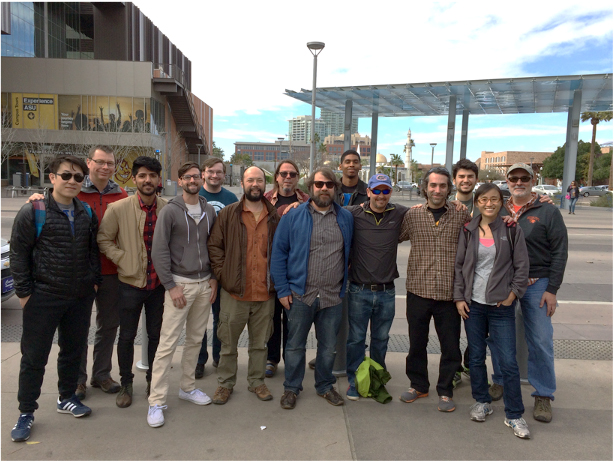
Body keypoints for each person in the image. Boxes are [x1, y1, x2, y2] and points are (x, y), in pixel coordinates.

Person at [10, 155, 101, 443]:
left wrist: (93, 283)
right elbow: (18, 255)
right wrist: (25, 294)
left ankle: (66, 398)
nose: (73, 181)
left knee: (73, 351)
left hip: (79, 297)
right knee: (34, 357)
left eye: (78, 177)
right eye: (66, 176)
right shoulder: (33, 210)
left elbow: (92, 253)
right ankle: (26, 411)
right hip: (43, 297)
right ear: (52, 178)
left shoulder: (86, 212)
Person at [27, 146, 128, 400]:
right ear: (89, 163)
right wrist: (37, 198)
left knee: (109, 326)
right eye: (100, 162)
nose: (105, 167)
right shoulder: (74, 189)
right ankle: (78, 380)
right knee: (77, 331)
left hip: (112, 272)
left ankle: (101, 374)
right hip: (78, 273)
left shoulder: (122, 195)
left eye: (110, 163)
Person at [489, 163, 568, 423]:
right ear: (507, 180)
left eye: (524, 178)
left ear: (533, 180)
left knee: (541, 340)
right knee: (500, 338)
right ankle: (499, 381)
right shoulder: (496, 208)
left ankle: (543, 395)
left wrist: (552, 289)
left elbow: (559, 252)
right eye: (514, 178)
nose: (519, 182)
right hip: (503, 283)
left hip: (537, 284)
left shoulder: (547, 211)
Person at [271, 167, 353, 410]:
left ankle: (325, 386)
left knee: (328, 349)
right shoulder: (293, 216)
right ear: (310, 188)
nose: (324, 188)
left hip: (332, 297)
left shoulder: (346, 217)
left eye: (329, 184)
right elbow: (279, 254)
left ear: (336, 188)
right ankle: (291, 388)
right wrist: (283, 290)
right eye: (319, 184)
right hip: (299, 296)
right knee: (295, 346)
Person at [454, 184, 531, 439]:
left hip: (501, 306)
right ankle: (481, 401)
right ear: (476, 202)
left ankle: (514, 414)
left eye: (494, 199)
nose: (489, 204)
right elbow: (459, 267)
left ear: (502, 202)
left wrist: (512, 295)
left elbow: (522, 266)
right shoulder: (468, 230)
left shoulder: (511, 229)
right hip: (473, 305)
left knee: (508, 362)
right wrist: (459, 298)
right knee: (475, 357)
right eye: (484, 199)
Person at [147, 162, 218, 428]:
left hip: (203, 285)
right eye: (188, 177)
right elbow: (159, 251)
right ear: (180, 180)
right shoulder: (170, 211)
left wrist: (213, 278)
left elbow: (213, 247)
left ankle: (187, 387)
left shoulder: (209, 210)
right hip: (180, 285)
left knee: (195, 341)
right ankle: (156, 400)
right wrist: (170, 285)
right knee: (167, 344)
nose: (193, 180)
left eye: (197, 176)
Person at [398, 166, 471, 413]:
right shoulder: (412, 215)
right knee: (416, 343)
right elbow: (388, 233)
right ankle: (418, 385)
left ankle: (445, 389)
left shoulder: (462, 215)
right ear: (425, 188)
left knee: (450, 346)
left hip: (450, 295)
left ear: (449, 189)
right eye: (433, 185)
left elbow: (485, 227)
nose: (437, 190)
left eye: (442, 186)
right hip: (418, 290)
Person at [97, 156, 167, 408]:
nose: (147, 180)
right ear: (135, 178)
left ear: (159, 179)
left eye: (152, 176)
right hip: (129, 284)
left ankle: (152, 382)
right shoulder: (118, 208)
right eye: (142, 176)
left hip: (158, 285)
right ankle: (126, 383)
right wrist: (123, 258)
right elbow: (104, 239)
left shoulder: (167, 208)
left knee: (156, 336)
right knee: (126, 336)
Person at [207, 166, 280, 405]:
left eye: (259, 180)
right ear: (242, 183)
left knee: (260, 345)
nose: (255, 184)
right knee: (228, 345)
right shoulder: (228, 214)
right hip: (234, 293)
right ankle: (225, 384)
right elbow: (215, 247)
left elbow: (283, 252)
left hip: (264, 294)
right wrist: (222, 274)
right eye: (251, 180)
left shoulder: (275, 217)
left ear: (265, 184)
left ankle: (257, 382)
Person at [344, 173, 408, 400]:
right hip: (358, 290)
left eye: (385, 190)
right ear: (369, 192)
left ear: (390, 192)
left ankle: (376, 378)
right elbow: (325, 208)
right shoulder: (353, 213)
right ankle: (354, 379)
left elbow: (426, 211)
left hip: (387, 292)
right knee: (356, 339)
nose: (381, 195)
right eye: (377, 190)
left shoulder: (400, 212)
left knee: (381, 340)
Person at [263, 160, 310, 378]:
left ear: (298, 177)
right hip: (269, 268)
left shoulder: (307, 202)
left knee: (293, 321)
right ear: (277, 176)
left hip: (297, 270)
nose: (288, 177)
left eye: (292, 174)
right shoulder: (264, 200)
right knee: (271, 319)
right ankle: (271, 359)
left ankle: (291, 360)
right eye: (284, 173)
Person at [195, 158, 238, 379]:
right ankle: (199, 360)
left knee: (222, 317)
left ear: (224, 175)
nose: (214, 175)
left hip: (223, 268)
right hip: (199, 267)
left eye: (218, 172)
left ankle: (219, 357)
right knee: (199, 318)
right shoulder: (195, 196)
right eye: (210, 171)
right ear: (203, 173)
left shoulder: (231, 198)